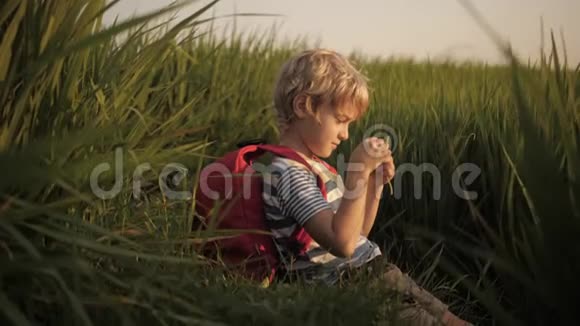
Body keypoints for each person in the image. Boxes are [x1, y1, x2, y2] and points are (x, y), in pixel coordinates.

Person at [261, 49, 471, 326]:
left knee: (450, 320)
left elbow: (357, 234)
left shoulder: (317, 167)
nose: (345, 135)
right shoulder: (288, 173)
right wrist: (358, 171)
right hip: (348, 285)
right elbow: (343, 244)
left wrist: (373, 184)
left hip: (376, 271)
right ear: (303, 106)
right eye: (340, 120)